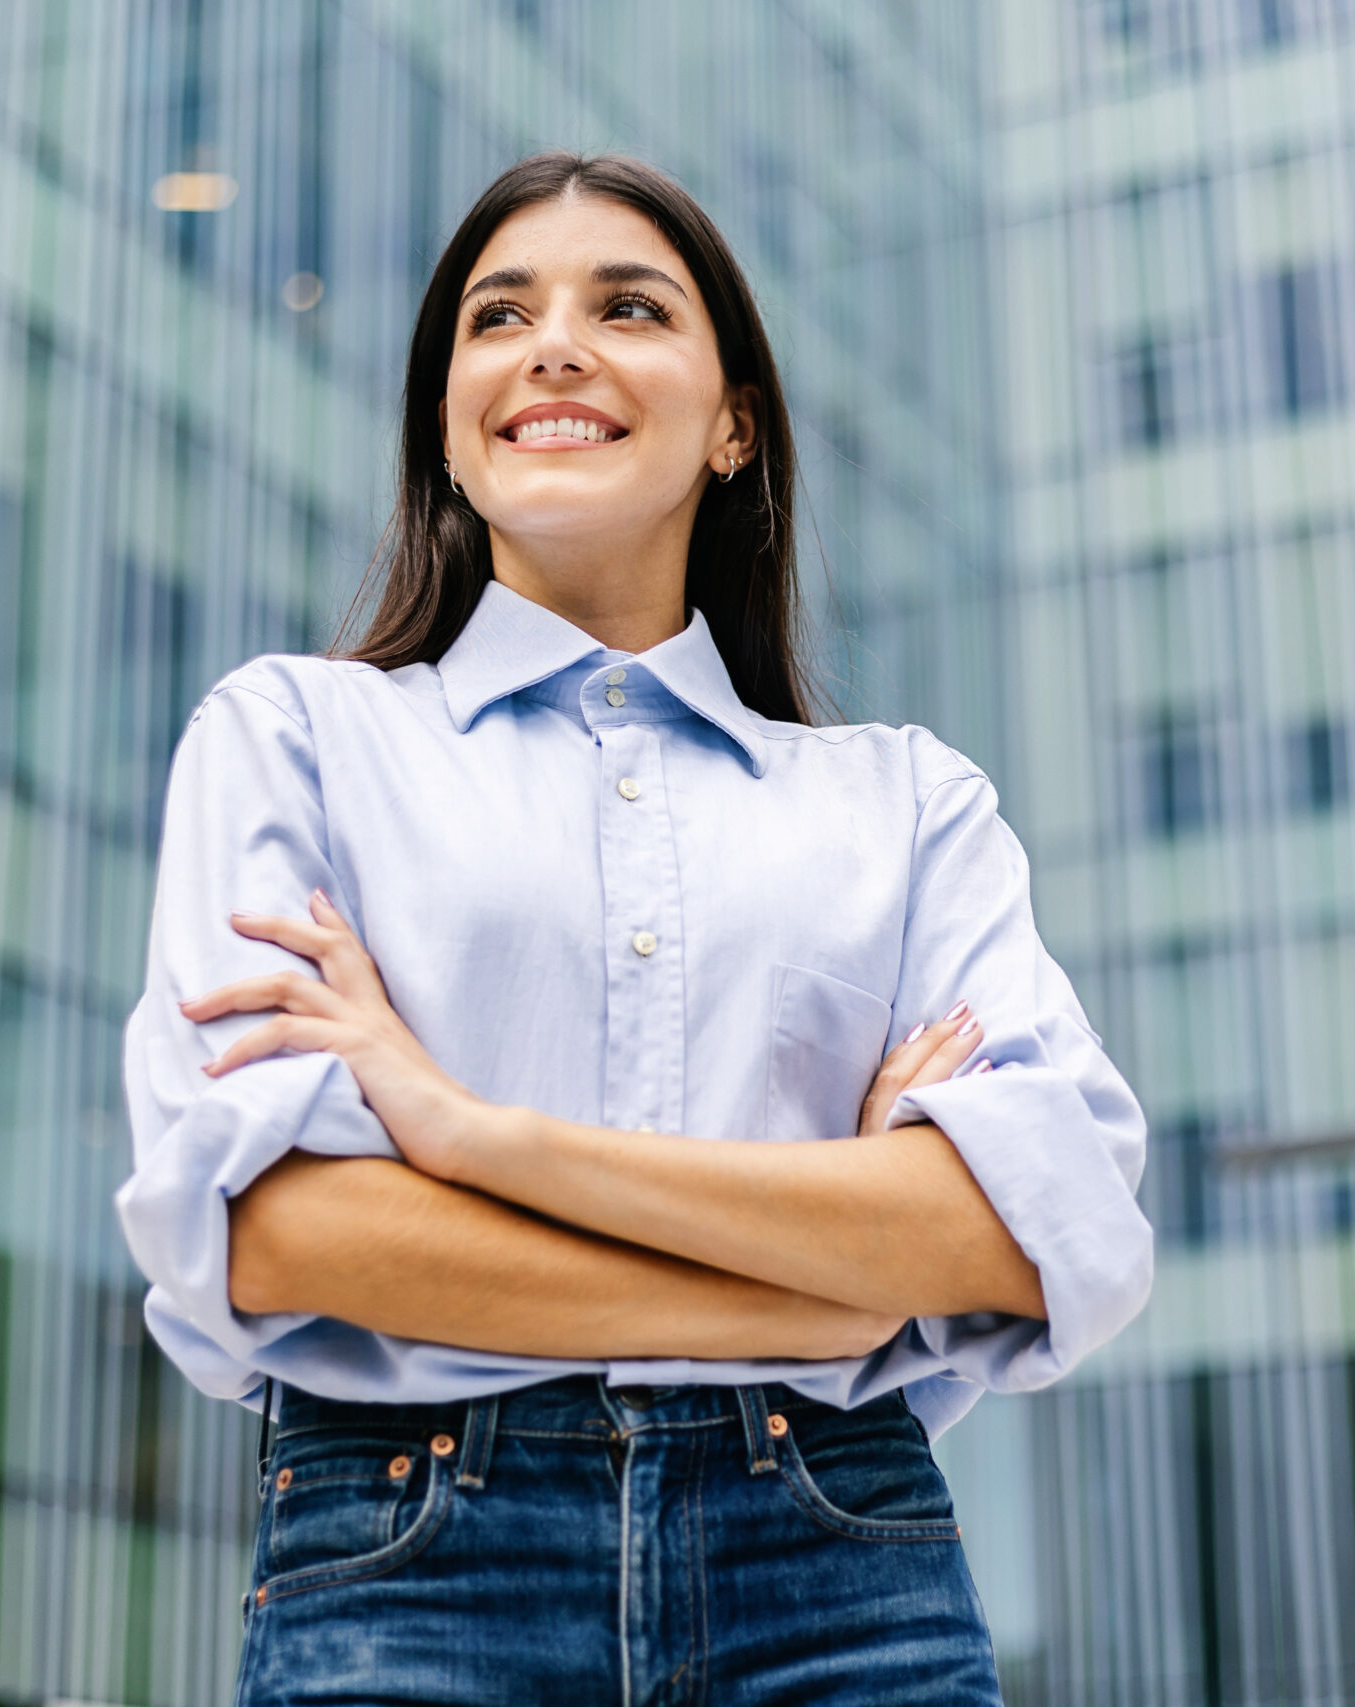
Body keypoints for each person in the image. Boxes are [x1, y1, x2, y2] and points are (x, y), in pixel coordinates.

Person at [115, 151, 1152, 1705]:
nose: (553, 343)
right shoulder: (295, 741)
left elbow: (1031, 1229)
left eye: (629, 306)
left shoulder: (909, 805)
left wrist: (466, 1137)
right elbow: (277, 1230)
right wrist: (839, 1282)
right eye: (499, 314)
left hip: (834, 1566)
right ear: (448, 433)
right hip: (415, 1558)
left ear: (733, 423)